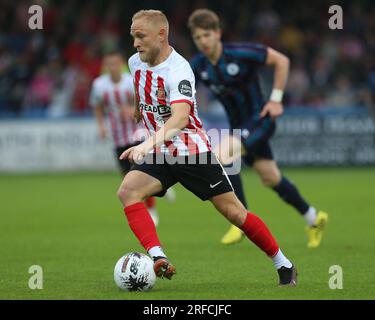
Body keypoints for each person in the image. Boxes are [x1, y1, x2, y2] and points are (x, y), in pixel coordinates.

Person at [117, 9, 297, 286]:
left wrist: (146, 143)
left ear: (161, 34)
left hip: (192, 153)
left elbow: (179, 119)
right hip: (161, 152)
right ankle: (157, 258)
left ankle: (283, 263)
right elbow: (141, 88)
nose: (135, 43)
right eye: (133, 37)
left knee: (235, 213)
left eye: (140, 37)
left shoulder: (179, 70)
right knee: (128, 191)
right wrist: (140, 109)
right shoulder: (135, 62)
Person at [188, 9, 328, 248]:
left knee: (223, 155)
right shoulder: (198, 65)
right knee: (270, 178)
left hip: (260, 119)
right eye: (198, 37)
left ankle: (239, 219)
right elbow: (182, 90)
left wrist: (275, 99)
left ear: (218, 33)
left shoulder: (241, 52)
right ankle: (314, 218)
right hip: (238, 128)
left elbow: (281, 61)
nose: (203, 41)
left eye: (207, 35)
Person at [89, 51, 165, 226]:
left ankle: (152, 210)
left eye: (115, 63)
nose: (112, 67)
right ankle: (160, 187)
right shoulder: (99, 85)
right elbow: (97, 106)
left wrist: (133, 111)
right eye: (109, 64)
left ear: (121, 63)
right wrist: (101, 126)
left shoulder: (130, 80)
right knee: (127, 176)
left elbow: (144, 101)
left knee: (142, 172)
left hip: (137, 133)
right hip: (117, 137)